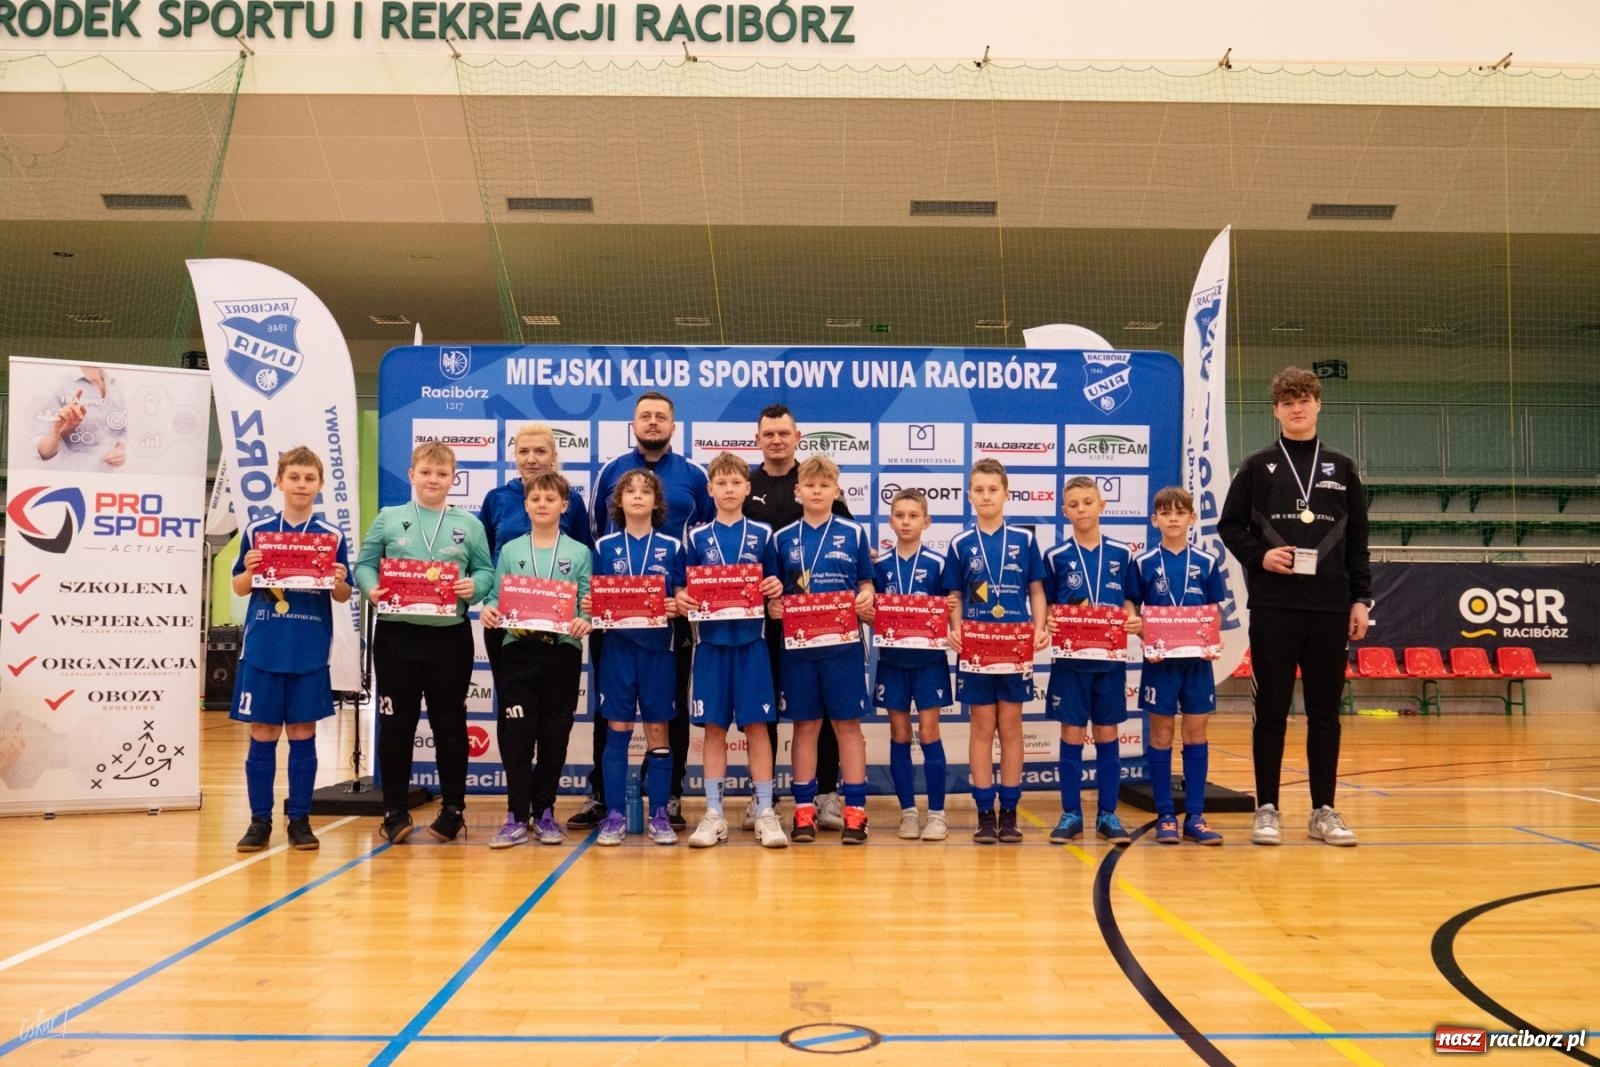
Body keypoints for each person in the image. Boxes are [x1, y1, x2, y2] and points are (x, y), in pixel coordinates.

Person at [1219, 365, 1371, 848]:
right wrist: (1260, 555)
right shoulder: (1257, 465)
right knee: (1272, 711)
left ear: (1318, 404)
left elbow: (1358, 542)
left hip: (1329, 609)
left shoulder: (1342, 468)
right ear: (1277, 410)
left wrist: (1362, 599)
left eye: (1304, 399)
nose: (1297, 407)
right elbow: (1230, 526)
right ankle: (1267, 807)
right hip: (1274, 607)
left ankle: (1323, 810)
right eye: (1288, 401)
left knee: (1326, 713)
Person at [578, 392, 713, 832]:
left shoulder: (692, 476)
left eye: (661, 417)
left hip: (666, 640)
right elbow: (594, 545)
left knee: (663, 723)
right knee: (612, 721)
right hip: (616, 640)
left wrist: (683, 599)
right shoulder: (609, 478)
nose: (652, 422)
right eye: (645, 416)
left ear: (673, 425)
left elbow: (703, 547)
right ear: (633, 423)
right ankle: (608, 805)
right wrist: (592, 600)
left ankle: (665, 805)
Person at [354, 442, 494, 845]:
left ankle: (453, 810)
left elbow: (485, 570)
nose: (434, 480)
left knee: (450, 724)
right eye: (426, 472)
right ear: (412, 475)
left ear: (454, 479)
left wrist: (476, 586)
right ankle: (394, 812)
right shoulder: (389, 518)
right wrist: (371, 589)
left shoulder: (469, 525)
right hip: (397, 634)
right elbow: (365, 564)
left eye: (442, 474)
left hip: (449, 637)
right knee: (397, 725)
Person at [230, 446, 352, 852]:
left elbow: (342, 594)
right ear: (279, 482)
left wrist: (337, 578)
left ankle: (299, 819)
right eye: (294, 477)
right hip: (263, 647)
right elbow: (239, 586)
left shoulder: (331, 536)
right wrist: (249, 569)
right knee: (262, 732)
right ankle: (259, 821)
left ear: (320, 485)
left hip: (308, 648)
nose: (301, 485)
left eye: (309, 478)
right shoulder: (257, 530)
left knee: (303, 732)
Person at [743, 403, 853, 831]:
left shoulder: (815, 480)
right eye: (768, 433)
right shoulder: (744, 485)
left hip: (818, 626)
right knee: (763, 707)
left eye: (783, 433)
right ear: (758, 438)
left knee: (821, 711)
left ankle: (826, 793)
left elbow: (843, 551)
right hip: (759, 621)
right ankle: (763, 795)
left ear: (797, 437)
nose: (776, 439)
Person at [677, 452, 788, 849]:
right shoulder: (695, 537)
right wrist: (683, 596)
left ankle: (764, 811)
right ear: (710, 489)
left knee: (758, 728)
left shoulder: (763, 535)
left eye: (735, 483)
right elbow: (680, 587)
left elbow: (776, 585)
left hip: (752, 644)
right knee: (714, 729)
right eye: (720, 483)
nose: (727, 489)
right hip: (711, 646)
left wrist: (775, 589)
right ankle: (713, 813)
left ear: (747, 488)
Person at [480, 471, 594, 848]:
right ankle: (515, 814)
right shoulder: (511, 549)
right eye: (535, 499)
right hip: (517, 650)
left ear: (565, 506)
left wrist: (585, 620)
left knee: (554, 734)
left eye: (550, 499)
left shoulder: (579, 552)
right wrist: (490, 610)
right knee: (516, 734)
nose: (542, 504)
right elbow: (496, 595)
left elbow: (586, 604)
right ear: (526, 505)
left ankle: (544, 812)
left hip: (562, 651)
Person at [942, 458, 1048, 844]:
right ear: (969, 496)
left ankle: (1011, 812)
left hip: (1016, 647)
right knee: (982, 727)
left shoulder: (1024, 540)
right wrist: (953, 630)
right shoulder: (960, 543)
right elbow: (954, 595)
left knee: (1012, 728)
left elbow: (1036, 589)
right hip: (977, 649)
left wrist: (1038, 628)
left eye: (992, 490)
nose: (986, 496)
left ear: (1006, 493)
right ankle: (985, 813)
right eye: (979, 490)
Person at [773, 455, 876, 844]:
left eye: (824, 484)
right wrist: (773, 606)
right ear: (798, 491)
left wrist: (865, 597)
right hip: (799, 649)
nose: (817, 491)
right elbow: (773, 594)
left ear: (836, 490)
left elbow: (866, 583)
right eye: (810, 485)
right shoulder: (782, 537)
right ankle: (803, 812)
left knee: (848, 726)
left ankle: (856, 812)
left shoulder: (853, 533)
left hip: (844, 646)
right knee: (806, 726)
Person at [585, 469, 685, 846]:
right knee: (618, 730)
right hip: (617, 650)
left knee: (658, 731)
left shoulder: (674, 546)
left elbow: (683, 595)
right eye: (630, 491)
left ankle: (659, 811)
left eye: (646, 491)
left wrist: (679, 603)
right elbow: (592, 596)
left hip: (659, 650)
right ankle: (614, 814)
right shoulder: (604, 547)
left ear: (658, 502)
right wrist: (589, 604)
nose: (638, 496)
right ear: (619, 502)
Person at [1042, 476, 1142, 846]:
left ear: (1102, 506)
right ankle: (1070, 813)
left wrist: (1132, 618)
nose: (1081, 509)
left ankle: (1108, 814)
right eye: (1074, 504)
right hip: (1071, 662)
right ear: (1064, 511)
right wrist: (1049, 621)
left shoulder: (1122, 553)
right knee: (1070, 733)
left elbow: (1131, 600)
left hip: (1111, 661)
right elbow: (1049, 606)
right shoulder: (1056, 556)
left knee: (1107, 734)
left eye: (1088, 502)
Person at [1129, 486, 1227, 845]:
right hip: (1160, 662)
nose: (1173, 518)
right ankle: (1166, 814)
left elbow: (1213, 610)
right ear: (1155, 519)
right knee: (1161, 735)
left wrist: (1213, 638)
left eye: (1179, 512)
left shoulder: (1206, 561)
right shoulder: (1142, 563)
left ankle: (1196, 816)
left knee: (1196, 734)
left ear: (1191, 518)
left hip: (1197, 663)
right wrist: (1141, 633)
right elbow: (1133, 608)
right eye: (1165, 512)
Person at [478, 423, 594, 676]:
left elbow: (582, 554)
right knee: (511, 700)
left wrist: (583, 610)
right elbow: (482, 560)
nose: (531, 459)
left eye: (540, 451)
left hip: (559, 624)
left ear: (554, 456)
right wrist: (489, 602)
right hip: (505, 618)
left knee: (555, 703)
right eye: (523, 451)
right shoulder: (495, 498)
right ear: (515, 456)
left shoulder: (571, 501)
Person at [871, 488, 951, 841]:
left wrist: (951, 613)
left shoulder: (939, 565)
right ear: (890, 522)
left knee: (930, 732)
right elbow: (872, 614)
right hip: (892, 661)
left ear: (926, 521)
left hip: (929, 661)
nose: (905, 521)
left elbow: (951, 607)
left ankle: (936, 813)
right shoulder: (879, 567)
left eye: (913, 515)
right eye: (899, 515)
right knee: (899, 733)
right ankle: (907, 811)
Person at [32, 364, 128, 470]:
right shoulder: (60, 382)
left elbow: (119, 431)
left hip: (108, 477)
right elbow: (43, 452)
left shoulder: (114, 383)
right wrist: (56, 433)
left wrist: (120, 448)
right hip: (71, 476)